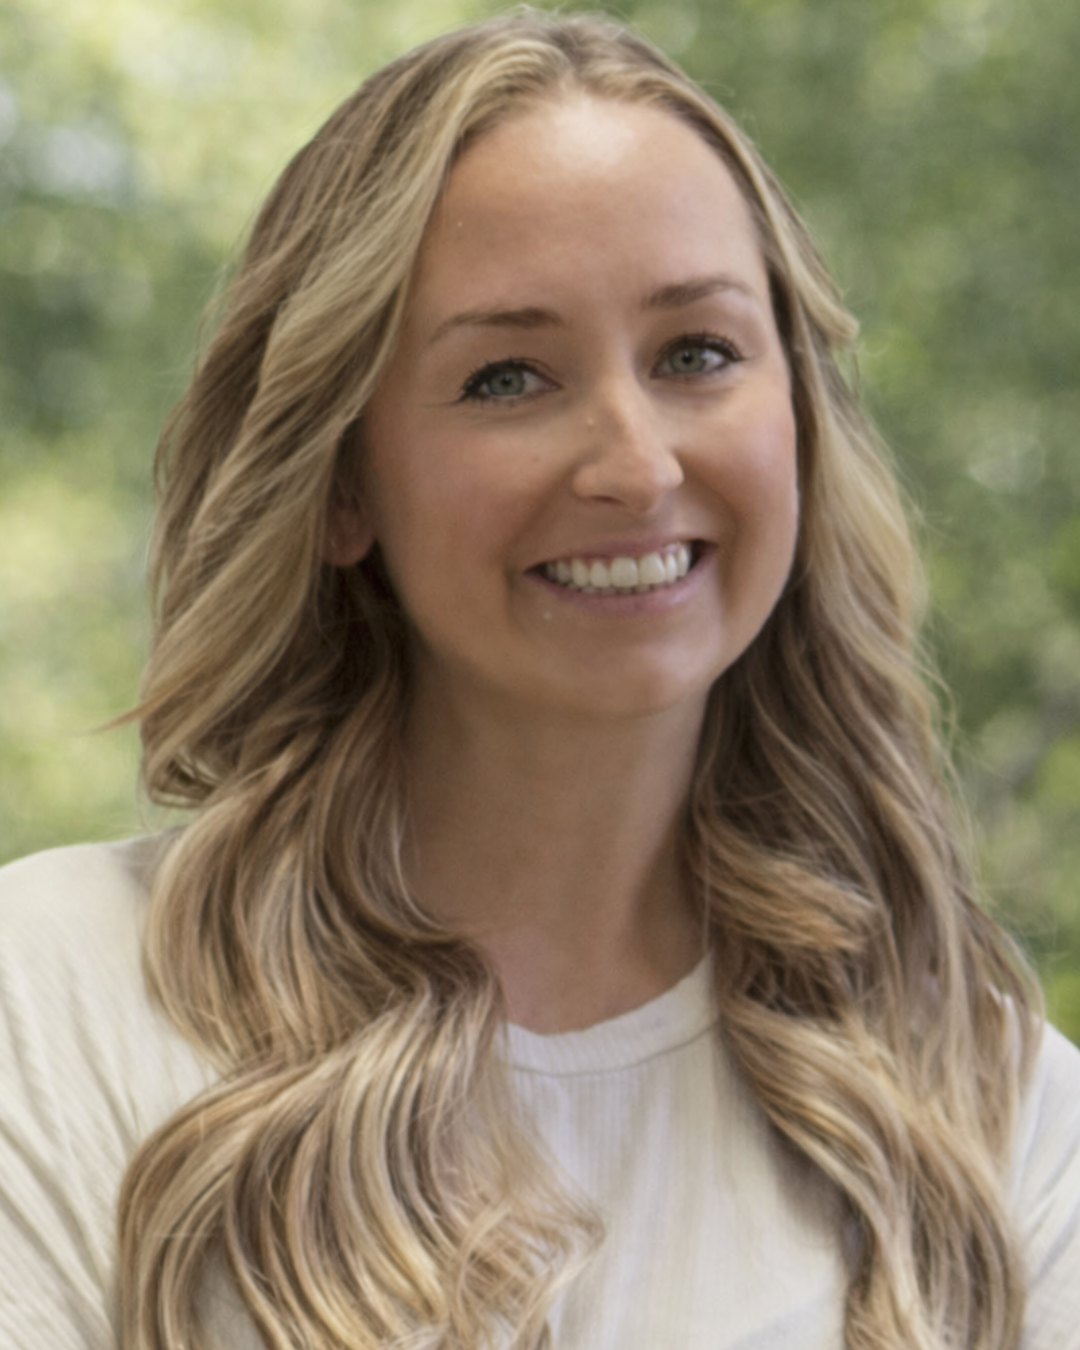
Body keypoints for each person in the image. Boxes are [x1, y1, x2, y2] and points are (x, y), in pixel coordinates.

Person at [1, 8, 1078, 1349]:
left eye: (698, 353)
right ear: (343, 486)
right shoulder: (49, 998)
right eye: (508, 376)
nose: (635, 464)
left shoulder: (993, 1110)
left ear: (795, 411)